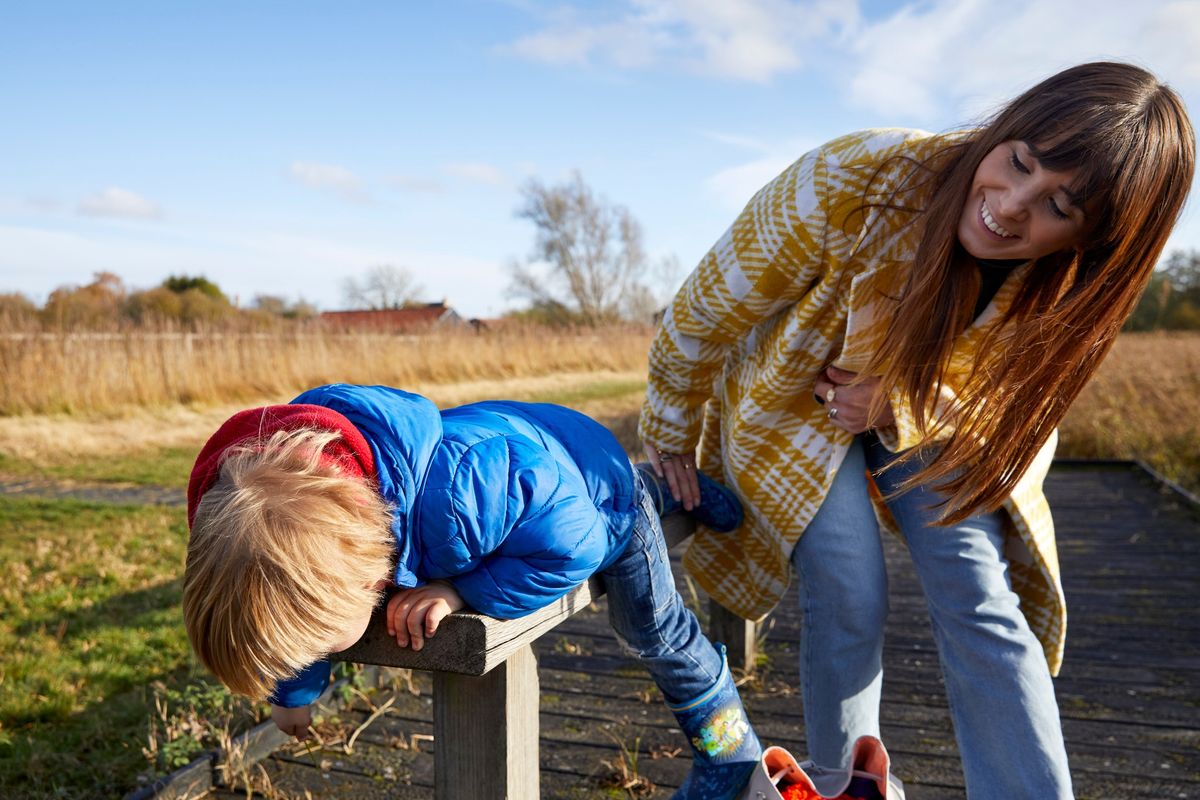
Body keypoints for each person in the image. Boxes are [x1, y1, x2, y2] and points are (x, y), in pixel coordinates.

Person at [638, 61, 1194, 800]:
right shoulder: (852, 178)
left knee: (980, 594)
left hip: (942, 425)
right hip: (803, 406)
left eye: (1058, 205)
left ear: (1090, 241)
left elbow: (1012, 415)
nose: (1012, 205)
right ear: (1002, 130)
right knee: (849, 585)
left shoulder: (1067, 293)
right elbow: (705, 311)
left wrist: (896, 404)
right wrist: (671, 434)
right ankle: (846, 788)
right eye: (1019, 161)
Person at [182, 383, 760, 799]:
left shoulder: (461, 498)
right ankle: (671, 490)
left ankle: (730, 750)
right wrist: (293, 691)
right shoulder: (277, 506)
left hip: (593, 493)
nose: (318, 657)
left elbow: (576, 543)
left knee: (653, 631)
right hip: (535, 471)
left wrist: (462, 590)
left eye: (320, 653)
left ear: (367, 574)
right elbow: (289, 606)